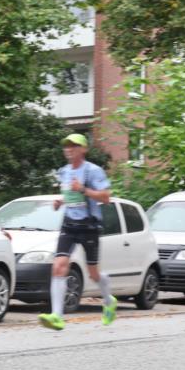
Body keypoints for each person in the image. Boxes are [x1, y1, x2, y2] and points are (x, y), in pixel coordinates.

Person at [39, 133, 116, 331]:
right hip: (69, 225)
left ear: (83, 149)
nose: (69, 149)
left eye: (73, 146)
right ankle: (57, 316)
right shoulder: (64, 171)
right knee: (58, 266)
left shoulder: (93, 171)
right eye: (66, 146)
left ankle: (109, 301)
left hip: (89, 226)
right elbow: (70, 195)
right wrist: (60, 201)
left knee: (93, 274)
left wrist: (83, 189)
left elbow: (106, 197)